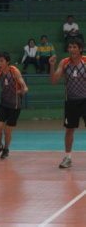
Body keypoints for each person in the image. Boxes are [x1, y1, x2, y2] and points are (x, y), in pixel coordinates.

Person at [49, 38, 86, 168]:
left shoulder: (85, 61)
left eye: (75, 47)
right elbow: (54, 80)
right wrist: (52, 66)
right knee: (70, 130)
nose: (72, 49)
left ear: (80, 49)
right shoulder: (64, 63)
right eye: (70, 47)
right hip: (71, 101)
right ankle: (68, 158)